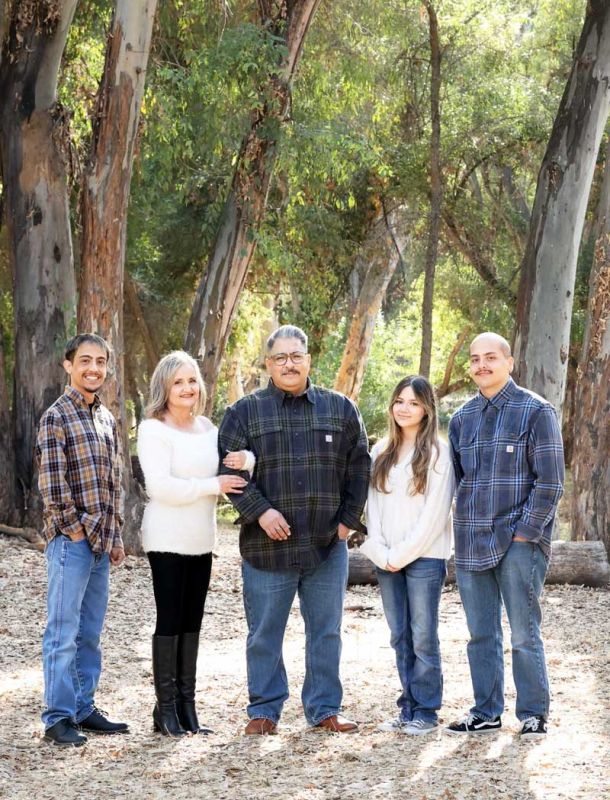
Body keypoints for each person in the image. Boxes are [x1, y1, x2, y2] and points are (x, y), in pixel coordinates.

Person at [218, 324, 370, 735]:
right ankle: (264, 710)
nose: (289, 364)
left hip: (326, 547)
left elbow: (360, 467)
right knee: (264, 633)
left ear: (308, 360)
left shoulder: (340, 409)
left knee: (326, 632)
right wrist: (261, 512)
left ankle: (324, 709)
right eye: (280, 357)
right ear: (268, 364)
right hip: (267, 549)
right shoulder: (243, 413)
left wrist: (347, 523)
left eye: (296, 356)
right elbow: (228, 473)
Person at [446, 332, 564, 738]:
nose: (482, 365)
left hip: (518, 542)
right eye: (475, 359)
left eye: (491, 357)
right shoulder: (461, 419)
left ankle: (532, 713)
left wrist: (525, 534)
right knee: (481, 633)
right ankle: (486, 711)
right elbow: (457, 483)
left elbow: (550, 482)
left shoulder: (536, 411)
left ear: (509, 362)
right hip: (470, 541)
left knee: (523, 633)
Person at [137, 350, 253, 737]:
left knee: (192, 622)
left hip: (202, 539)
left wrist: (247, 459)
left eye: (192, 381)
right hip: (167, 538)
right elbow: (160, 487)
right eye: (178, 382)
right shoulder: (153, 429)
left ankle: (187, 707)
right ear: (164, 388)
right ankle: (165, 709)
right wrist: (211, 486)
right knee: (170, 619)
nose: (187, 388)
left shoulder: (207, 428)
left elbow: (230, 465)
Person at [37, 333, 128, 747]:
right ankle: (57, 717)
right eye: (86, 361)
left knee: (89, 632)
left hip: (101, 546)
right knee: (62, 632)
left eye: (101, 362)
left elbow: (113, 482)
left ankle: (83, 707)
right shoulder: (56, 416)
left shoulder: (106, 418)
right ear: (68, 365)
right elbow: (52, 484)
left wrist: (115, 536)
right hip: (71, 544)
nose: (94, 368)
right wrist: (73, 529)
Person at [360, 376, 454, 736]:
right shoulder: (381, 450)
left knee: (423, 635)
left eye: (413, 403)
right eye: (399, 401)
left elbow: (435, 515)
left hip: (425, 557)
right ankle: (408, 706)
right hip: (386, 559)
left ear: (427, 409)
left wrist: (399, 554)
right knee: (399, 634)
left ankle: (426, 711)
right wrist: (380, 552)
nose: (405, 408)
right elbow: (372, 507)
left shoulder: (439, 453)